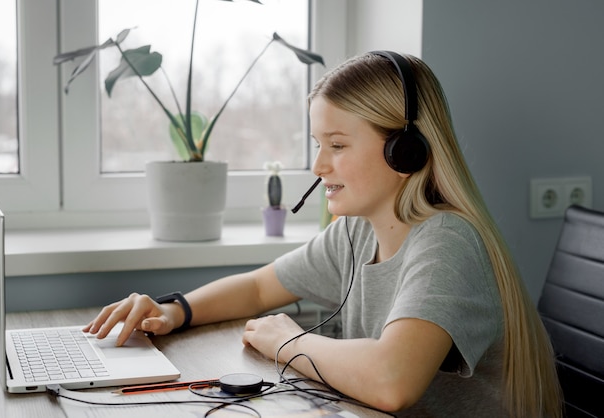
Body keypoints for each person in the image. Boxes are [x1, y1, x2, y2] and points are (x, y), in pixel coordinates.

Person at [84, 51, 562, 417]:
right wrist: (173, 310)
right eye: (318, 144)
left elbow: (393, 381)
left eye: (336, 145)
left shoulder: (446, 244)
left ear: (405, 151)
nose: (317, 166)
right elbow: (258, 287)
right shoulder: (355, 233)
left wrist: (287, 342)